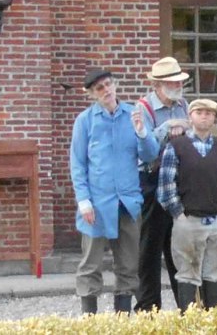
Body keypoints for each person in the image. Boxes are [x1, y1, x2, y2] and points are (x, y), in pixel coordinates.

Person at [69, 66, 160, 315]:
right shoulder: (85, 121)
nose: (106, 90)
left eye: (108, 84)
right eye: (100, 88)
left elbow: (150, 155)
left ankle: (121, 321)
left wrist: (142, 132)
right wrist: (83, 201)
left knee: (128, 265)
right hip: (96, 205)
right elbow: (77, 164)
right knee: (90, 265)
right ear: (92, 94)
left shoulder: (133, 114)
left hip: (128, 203)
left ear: (115, 85)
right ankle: (90, 322)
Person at [157, 98, 217, 312]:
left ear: (214, 119)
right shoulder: (176, 148)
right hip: (188, 220)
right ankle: (189, 321)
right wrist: (178, 214)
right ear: (190, 117)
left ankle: (213, 320)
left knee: (214, 273)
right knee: (187, 273)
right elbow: (166, 184)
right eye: (199, 112)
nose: (204, 116)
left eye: (209, 113)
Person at [134, 56, 191, 312]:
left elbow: (193, 135)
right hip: (152, 179)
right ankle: (148, 309)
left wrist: (185, 128)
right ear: (157, 85)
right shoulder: (143, 108)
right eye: (172, 82)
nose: (178, 85)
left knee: (179, 245)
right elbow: (144, 151)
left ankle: (187, 307)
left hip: (179, 179)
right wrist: (167, 127)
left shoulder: (184, 105)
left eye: (179, 81)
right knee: (150, 247)